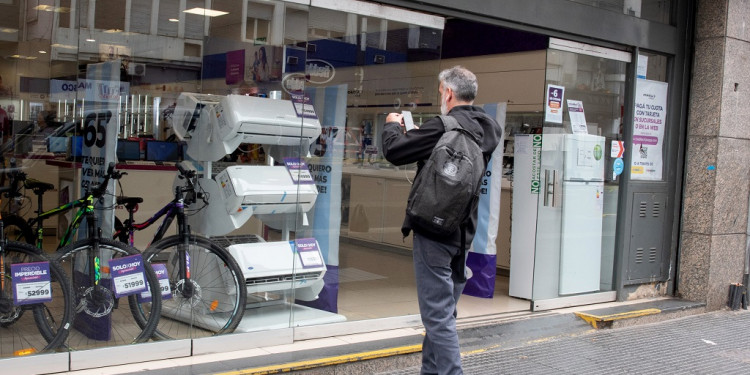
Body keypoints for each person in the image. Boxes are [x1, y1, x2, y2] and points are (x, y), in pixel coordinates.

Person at [381, 66, 502, 375]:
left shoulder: (442, 126)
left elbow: (394, 152)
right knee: (444, 313)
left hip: (433, 232)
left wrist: (392, 126)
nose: (440, 99)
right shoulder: (490, 128)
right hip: (464, 234)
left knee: (437, 317)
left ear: (449, 93)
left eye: (440, 93)